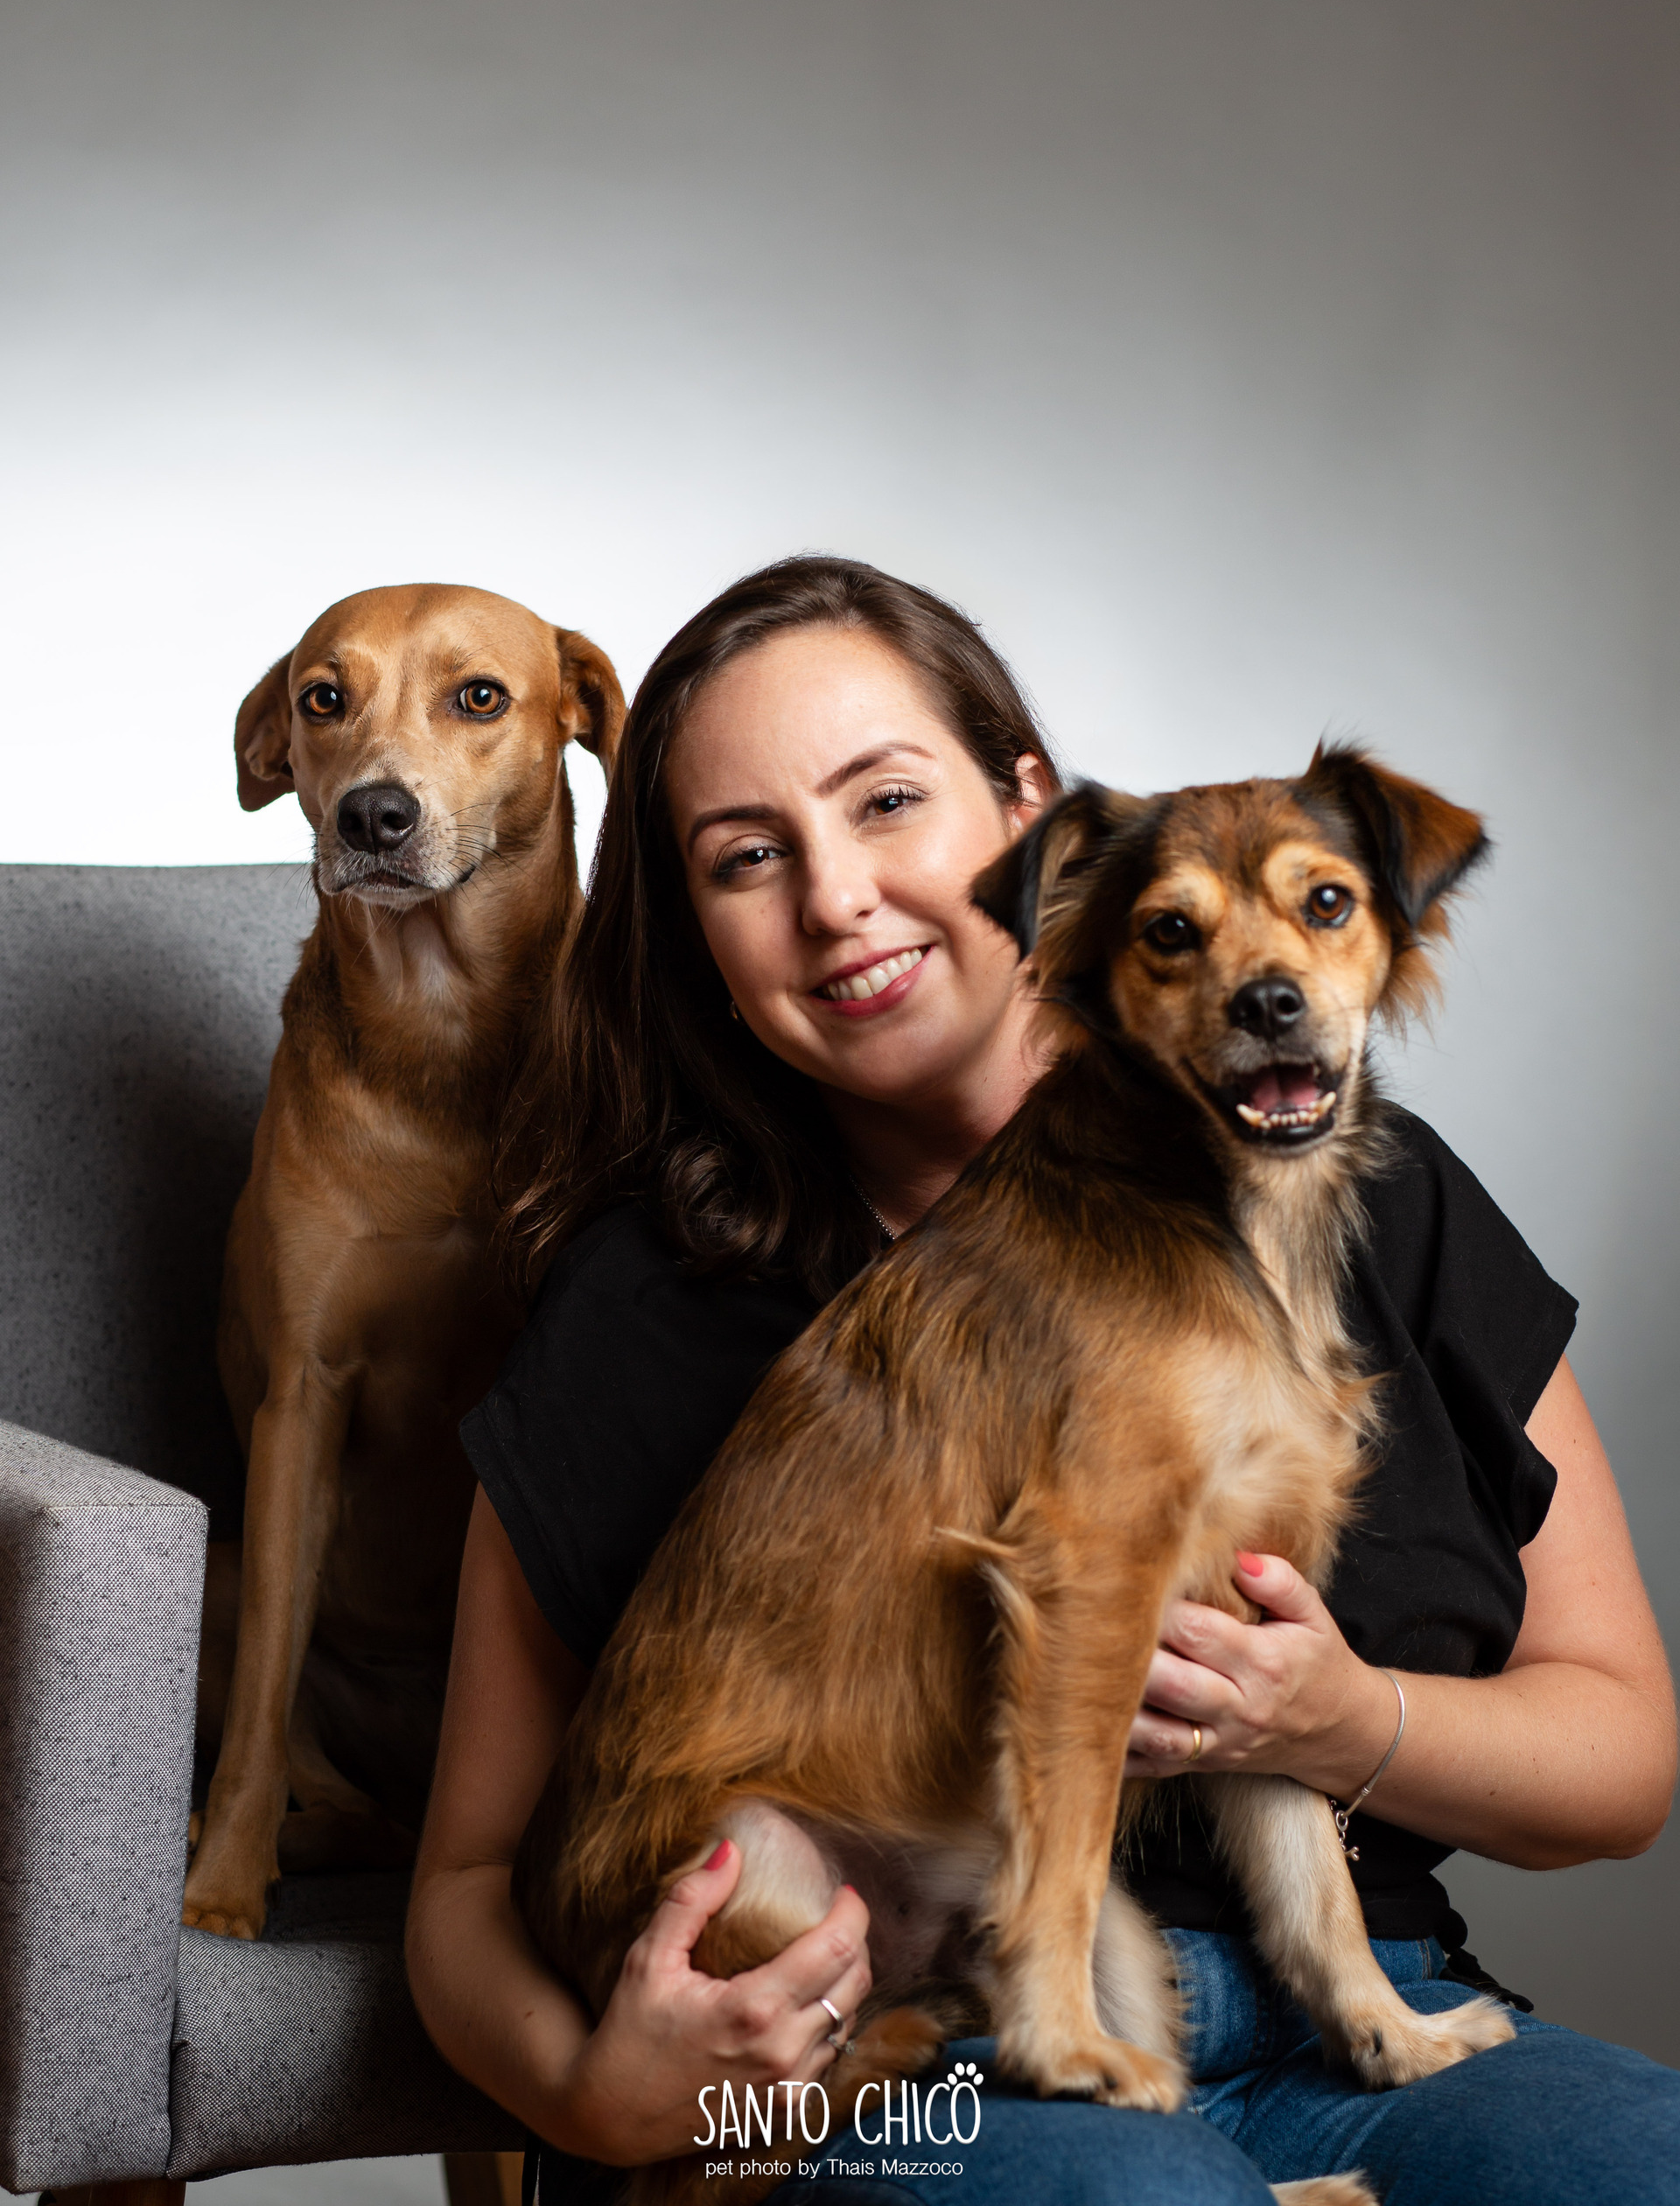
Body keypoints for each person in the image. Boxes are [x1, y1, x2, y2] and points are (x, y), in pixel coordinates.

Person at [405, 556, 1678, 2205]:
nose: (838, 896)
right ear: (696, 937)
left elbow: (1627, 1759)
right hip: (898, 2064)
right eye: (745, 860)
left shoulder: (1369, 1187)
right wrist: (601, 2101)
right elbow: (467, 1885)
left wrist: (1349, 1717)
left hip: (1347, 2013)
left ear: (1027, 813)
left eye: (888, 801)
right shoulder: (639, 1307)